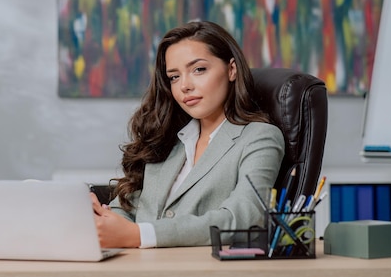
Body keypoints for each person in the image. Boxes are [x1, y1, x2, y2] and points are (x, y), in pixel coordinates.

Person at [91, 20, 285, 248]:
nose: (184, 86)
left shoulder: (260, 137)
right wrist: (101, 219)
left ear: (231, 69)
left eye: (198, 69)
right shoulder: (169, 140)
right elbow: (128, 210)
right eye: (174, 76)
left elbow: (244, 219)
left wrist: (140, 235)